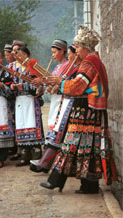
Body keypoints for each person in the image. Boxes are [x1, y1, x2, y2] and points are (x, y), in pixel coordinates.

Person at [40, 25, 117, 193]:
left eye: (78, 46)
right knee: (87, 148)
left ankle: (57, 180)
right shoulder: (94, 61)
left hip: (84, 110)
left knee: (72, 144)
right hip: (90, 110)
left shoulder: (89, 62)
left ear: (84, 46)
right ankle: (88, 184)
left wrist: (60, 83)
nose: (77, 50)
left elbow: (78, 86)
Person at [30, 40, 77, 173]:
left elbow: (69, 85)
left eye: (55, 52)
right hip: (55, 102)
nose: (53, 55)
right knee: (53, 132)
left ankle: (54, 164)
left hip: (64, 102)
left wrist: (56, 86)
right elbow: (52, 83)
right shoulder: (56, 67)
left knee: (60, 133)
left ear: (62, 51)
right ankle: (49, 163)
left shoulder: (70, 65)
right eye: (52, 53)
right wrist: (44, 85)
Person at [10, 45, 44, 167]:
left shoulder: (33, 68)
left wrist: (23, 86)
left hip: (30, 100)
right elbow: (10, 84)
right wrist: (12, 87)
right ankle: (25, 156)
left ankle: (36, 155)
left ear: (26, 55)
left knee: (32, 124)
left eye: (18, 53)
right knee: (22, 125)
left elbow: (39, 87)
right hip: (19, 101)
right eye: (14, 53)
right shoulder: (15, 70)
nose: (16, 56)